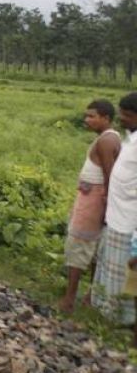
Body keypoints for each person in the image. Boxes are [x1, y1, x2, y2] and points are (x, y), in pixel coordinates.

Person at [58, 100, 121, 314]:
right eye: (86, 116)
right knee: (94, 249)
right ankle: (90, 297)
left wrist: (105, 206)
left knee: (79, 244)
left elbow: (109, 178)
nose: (87, 120)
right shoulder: (111, 138)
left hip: (93, 201)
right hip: (95, 199)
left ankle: (69, 299)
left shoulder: (105, 141)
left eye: (92, 116)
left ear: (105, 118)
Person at [92, 92, 137, 332]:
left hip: (131, 222)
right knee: (113, 270)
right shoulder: (131, 139)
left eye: (128, 115)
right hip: (116, 218)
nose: (122, 119)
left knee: (127, 275)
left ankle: (125, 322)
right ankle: (109, 313)